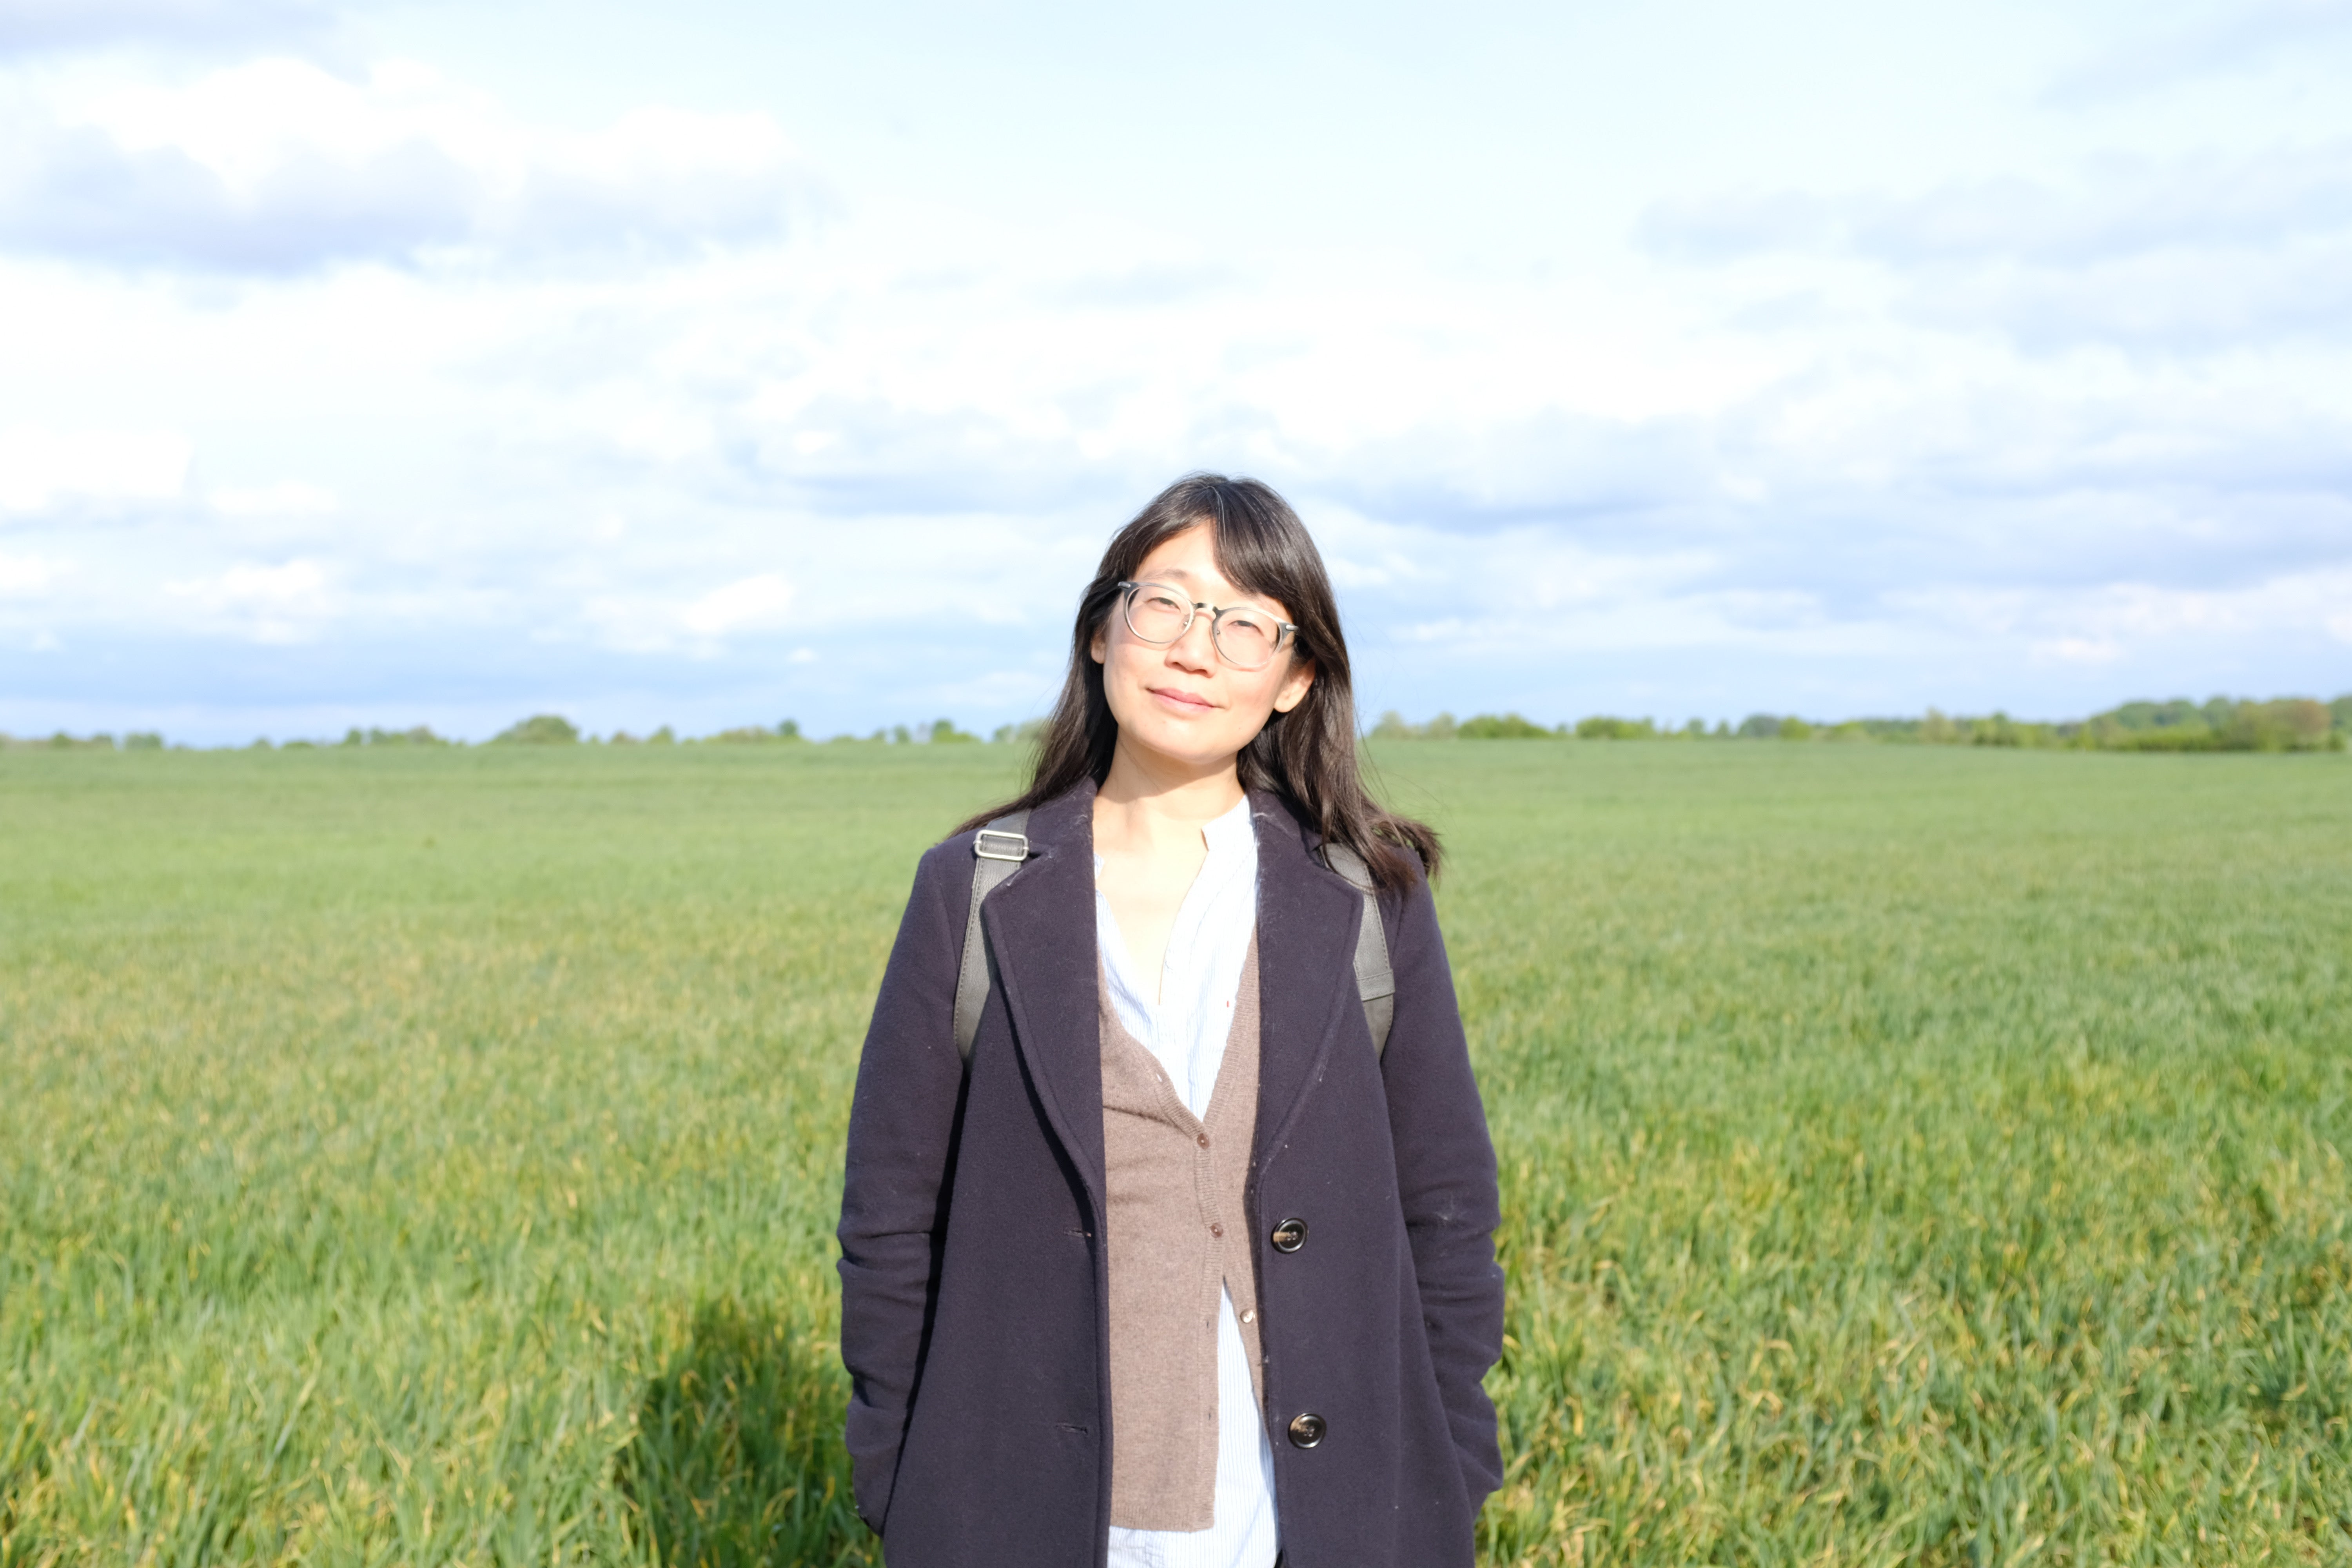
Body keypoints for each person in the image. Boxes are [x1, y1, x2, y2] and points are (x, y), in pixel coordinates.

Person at [836, 475, 1504, 1567]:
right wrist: (901, 1477)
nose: (1198, 650)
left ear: (1295, 680)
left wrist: (1451, 1469)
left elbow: (1449, 1209)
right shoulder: (974, 891)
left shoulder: (1366, 898)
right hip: (1026, 1507)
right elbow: (891, 1214)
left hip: (1318, 1509)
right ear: (1103, 632)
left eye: (1248, 625)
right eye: (1168, 605)